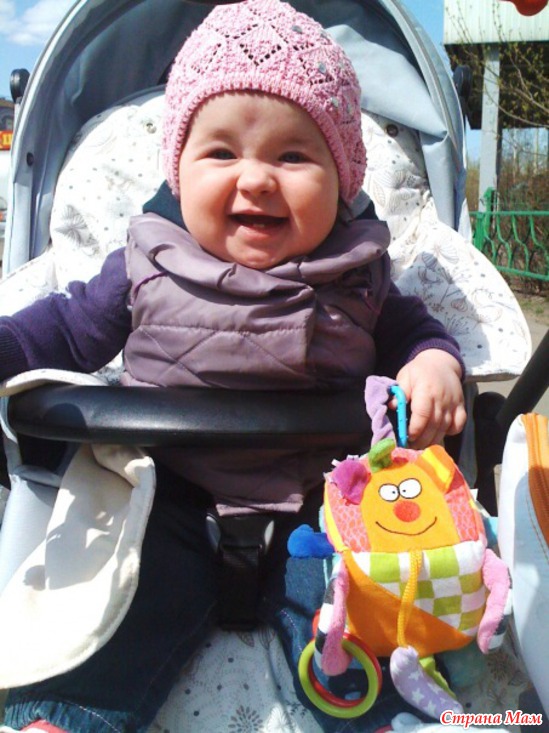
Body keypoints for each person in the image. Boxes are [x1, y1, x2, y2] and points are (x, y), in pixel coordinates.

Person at [0, 0, 467, 731]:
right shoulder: (143, 263)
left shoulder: (361, 274)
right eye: (221, 153)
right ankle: (65, 716)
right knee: (108, 611)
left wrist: (433, 363)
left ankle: (394, 716)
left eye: (292, 157)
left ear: (342, 179)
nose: (255, 179)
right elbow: (59, 330)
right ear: (178, 171)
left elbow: (416, 332)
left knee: (362, 618)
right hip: (167, 492)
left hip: (324, 499)